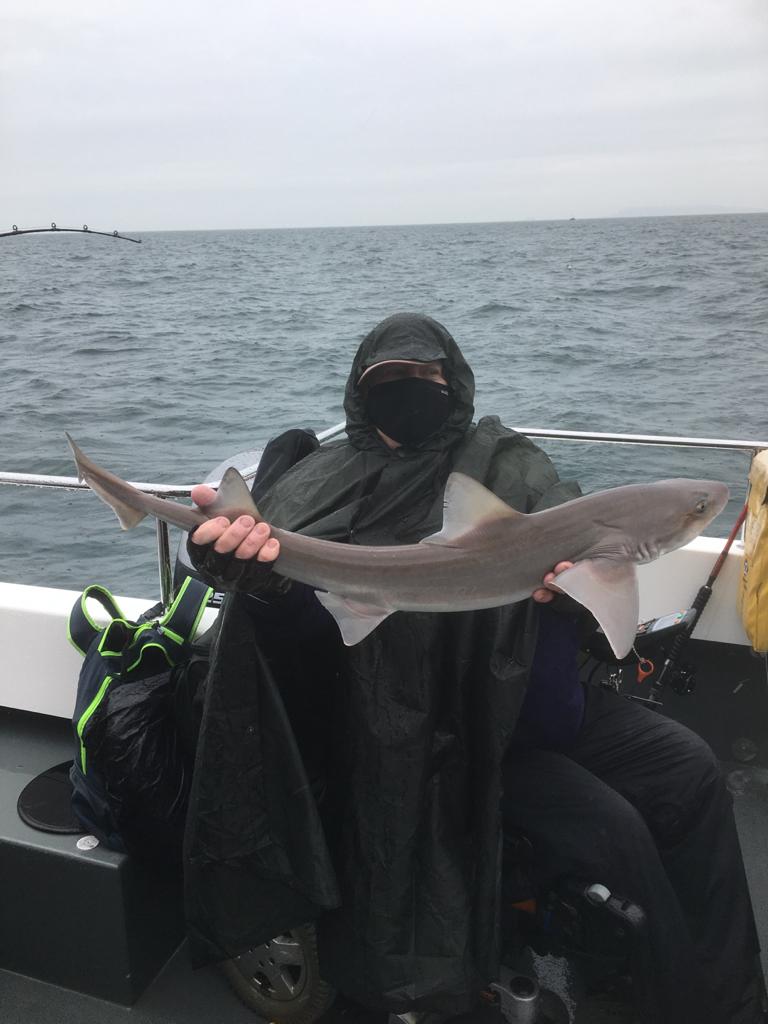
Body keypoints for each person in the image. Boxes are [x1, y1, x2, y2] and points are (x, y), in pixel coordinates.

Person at [185, 313, 764, 1024]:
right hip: (423, 738)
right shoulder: (320, 485)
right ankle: (651, 993)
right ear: (360, 392)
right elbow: (289, 647)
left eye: (424, 375)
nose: (409, 389)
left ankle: (730, 999)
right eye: (389, 378)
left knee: (690, 766)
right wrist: (254, 581)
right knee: (614, 830)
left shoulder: (502, 462)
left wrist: (575, 597)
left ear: (452, 381)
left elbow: (585, 574)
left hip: (535, 705)